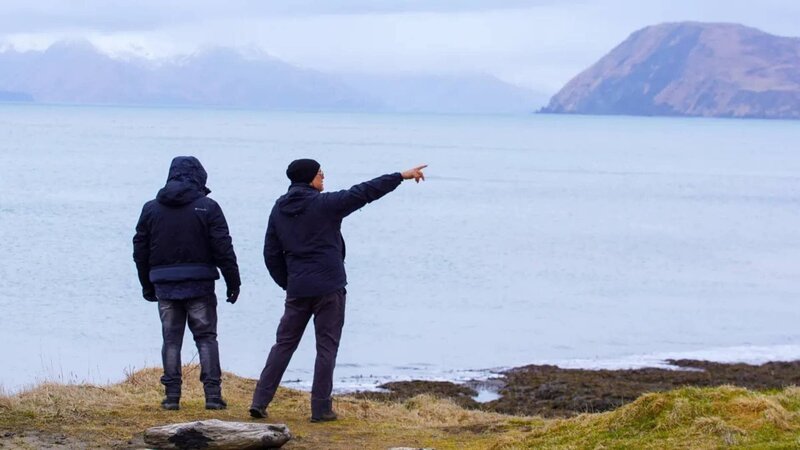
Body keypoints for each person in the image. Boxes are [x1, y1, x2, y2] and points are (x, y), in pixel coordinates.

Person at [249, 159, 426, 422]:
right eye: (320, 173)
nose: (323, 176)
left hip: (298, 288)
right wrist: (400, 176)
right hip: (329, 287)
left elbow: (270, 253)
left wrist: (290, 282)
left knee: (283, 345)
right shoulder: (324, 204)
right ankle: (321, 409)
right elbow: (364, 192)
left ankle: (259, 402)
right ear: (309, 177)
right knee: (326, 348)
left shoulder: (279, 208)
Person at [133, 156, 241, 411]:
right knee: (206, 338)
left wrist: (146, 284)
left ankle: (172, 397)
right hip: (200, 285)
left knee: (171, 340)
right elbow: (223, 247)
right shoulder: (208, 207)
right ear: (199, 177)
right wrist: (233, 281)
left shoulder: (151, 209)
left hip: (164, 285)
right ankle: (213, 396)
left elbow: (140, 250)